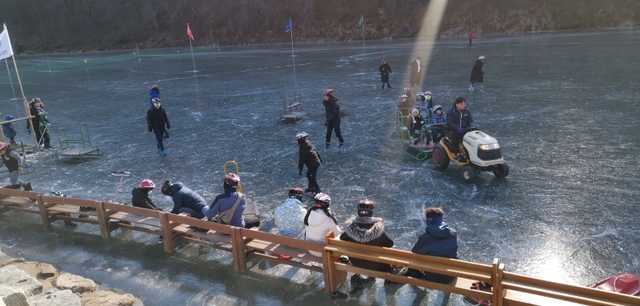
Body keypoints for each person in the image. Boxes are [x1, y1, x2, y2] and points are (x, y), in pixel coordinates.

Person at [340, 199, 394, 294]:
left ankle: (360, 280)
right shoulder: (378, 231)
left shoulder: (350, 229)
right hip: (376, 265)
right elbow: (390, 244)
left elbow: (342, 238)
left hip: (355, 261)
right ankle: (372, 279)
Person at [406, 207, 458, 283]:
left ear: (428, 220)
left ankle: (419, 292)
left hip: (434, 276)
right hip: (451, 274)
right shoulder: (453, 233)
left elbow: (415, 254)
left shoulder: (425, 238)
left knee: (414, 265)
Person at [303, 192, 340, 257]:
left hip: (310, 248)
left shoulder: (309, 214)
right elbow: (337, 233)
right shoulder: (329, 219)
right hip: (322, 251)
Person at [445, 97, 474, 161]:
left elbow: (470, 120)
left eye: (464, 104)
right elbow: (449, 123)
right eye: (461, 104)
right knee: (454, 134)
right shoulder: (451, 112)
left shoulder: (467, 111)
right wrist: (457, 128)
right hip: (453, 129)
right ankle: (457, 153)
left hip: (465, 129)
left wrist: (471, 126)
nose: (463, 105)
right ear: (457, 104)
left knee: (476, 133)